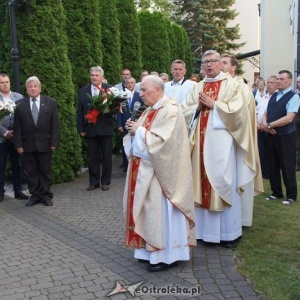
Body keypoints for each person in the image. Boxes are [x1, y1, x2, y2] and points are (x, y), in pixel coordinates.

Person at [181, 50, 263, 246]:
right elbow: (184, 110)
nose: (209, 65)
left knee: (224, 183)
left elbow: (240, 112)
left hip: (223, 146)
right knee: (199, 184)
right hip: (199, 145)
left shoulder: (234, 85)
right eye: (205, 62)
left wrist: (215, 105)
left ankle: (228, 234)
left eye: (213, 61)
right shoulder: (198, 86)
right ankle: (202, 233)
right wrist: (198, 109)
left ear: (220, 64)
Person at [123, 75, 196, 272]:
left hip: (164, 177)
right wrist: (133, 132)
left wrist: (139, 131)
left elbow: (163, 144)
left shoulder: (171, 111)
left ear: (158, 89)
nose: (141, 94)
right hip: (147, 171)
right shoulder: (149, 110)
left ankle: (168, 254)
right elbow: (144, 136)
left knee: (161, 212)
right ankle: (149, 251)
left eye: (144, 90)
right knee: (150, 212)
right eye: (140, 90)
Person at [220, 54, 263, 228]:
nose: (219, 65)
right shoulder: (222, 85)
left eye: (224, 63)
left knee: (238, 176)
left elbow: (238, 115)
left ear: (233, 68)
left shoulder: (241, 87)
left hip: (238, 142)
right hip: (222, 142)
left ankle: (241, 219)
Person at [13, 76, 60, 207]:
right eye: (30, 87)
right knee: (31, 171)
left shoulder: (50, 102)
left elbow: (55, 124)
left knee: (45, 171)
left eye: (35, 86)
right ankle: (34, 195)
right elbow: (17, 127)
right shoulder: (20, 104)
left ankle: (46, 195)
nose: (32, 89)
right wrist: (19, 145)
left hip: (45, 143)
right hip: (27, 144)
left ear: (40, 88)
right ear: (26, 89)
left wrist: (54, 142)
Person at [262, 70, 300, 205]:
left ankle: (291, 195)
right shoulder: (274, 95)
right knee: (272, 164)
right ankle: (276, 192)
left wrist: (270, 125)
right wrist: (266, 125)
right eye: (277, 79)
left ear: (290, 81)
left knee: (287, 165)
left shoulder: (293, 97)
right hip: (271, 135)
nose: (278, 81)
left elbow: (289, 118)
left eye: (282, 79)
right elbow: (266, 112)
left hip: (286, 136)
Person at [77, 66, 113, 192]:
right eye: (92, 75)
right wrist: (80, 128)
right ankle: (94, 182)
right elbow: (80, 110)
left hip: (105, 128)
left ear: (102, 77)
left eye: (97, 75)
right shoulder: (83, 91)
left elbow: (115, 108)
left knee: (107, 156)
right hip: (90, 128)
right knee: (92, 157)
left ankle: (105, 182)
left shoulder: (110, 90)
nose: (94, 77)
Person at [0, 73, 28, 202]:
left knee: (17, 164)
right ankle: (0, 192)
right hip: (2, 138)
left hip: (16, 137)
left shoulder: (18, 97)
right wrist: (5, 132)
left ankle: (18, 191)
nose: (5, 84)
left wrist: (16, 132)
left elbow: (23, 117)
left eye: (7, 82)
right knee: (1, 164)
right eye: (2, 82)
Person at [116, 77, 143, 172]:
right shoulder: (121, 96)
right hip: (124, 124)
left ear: (135, 84)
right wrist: (119, 124)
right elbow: (119, 112)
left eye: (132, 83)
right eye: (128, 83)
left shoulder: (139, 95)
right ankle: (126, 163)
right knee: (124, 144)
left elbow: (142, 110)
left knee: (135, 144)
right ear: (125, 84)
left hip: (135, 125)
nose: (130, 84)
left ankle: (134, 163)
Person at [256, 76, 278, 179]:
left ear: (277, 84)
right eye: (268, 82)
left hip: (271, 129)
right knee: (262, 152)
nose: (269, 84)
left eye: (272, 83)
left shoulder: (277, 97)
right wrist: (257, 124)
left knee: (271, 153)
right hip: (260, 129)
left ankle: (271, 172)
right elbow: (256, 111)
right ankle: (265, 173)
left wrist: (266, 125)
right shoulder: (263, 97)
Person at [294, 75, 300, 170]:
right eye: (298, 82)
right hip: (296, 118)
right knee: (297, 142)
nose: (299, 83)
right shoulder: (295, 93)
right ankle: (297, 164)